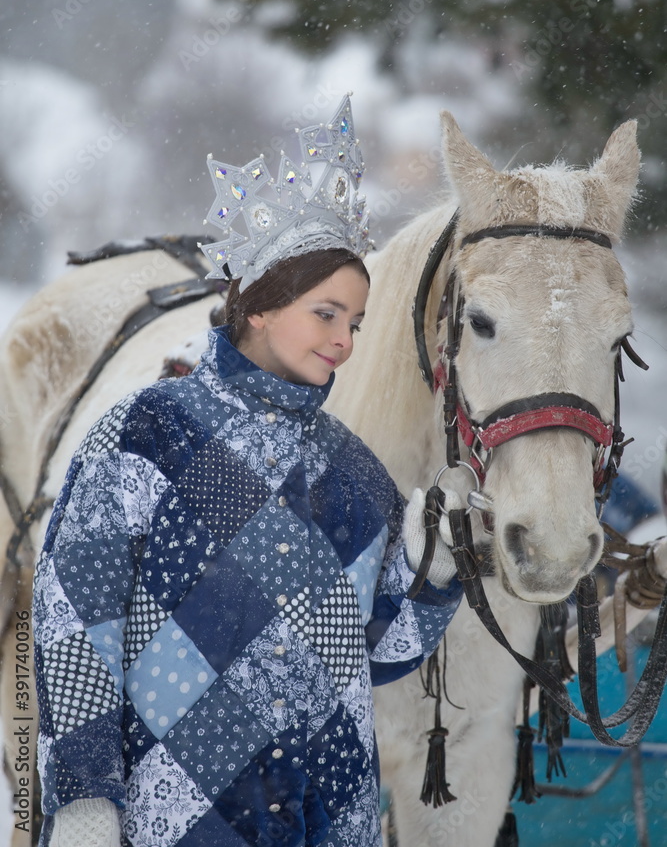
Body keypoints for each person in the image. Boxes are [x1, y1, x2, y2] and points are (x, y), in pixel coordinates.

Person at [33, 96, 462, 847]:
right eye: (326, 313)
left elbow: (381, 653)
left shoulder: (355, 473)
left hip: (326, 821)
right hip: (171, 822)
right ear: (261, 304)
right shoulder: (146, 434)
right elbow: (74, 621)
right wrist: (82, 797)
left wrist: (444, 570)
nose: (344, 341)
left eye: (355, 324)